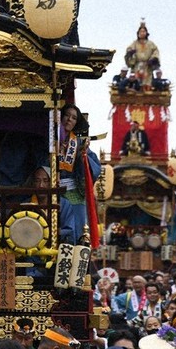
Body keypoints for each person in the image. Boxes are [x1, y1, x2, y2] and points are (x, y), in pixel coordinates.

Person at [57, 103, 100, 245]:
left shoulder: (79, 142)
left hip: (74, 191)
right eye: (67, 115)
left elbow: (94, 168)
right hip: (53, 191)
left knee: (78, 232)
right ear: (60, 116)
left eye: (74, 118)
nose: (69, 120)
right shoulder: (51, 139)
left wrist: (83, 157)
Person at [124, 21, 160, 89]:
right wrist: (130, 52)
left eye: (144, 32)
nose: (142, 33)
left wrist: (153, 58)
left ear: (146, 33)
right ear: (138, 33)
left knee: (147, 81)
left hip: (147, 65)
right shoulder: (135, 43)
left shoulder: (151, 44)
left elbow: (156, 52)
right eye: (141, 32)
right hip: (137, 65)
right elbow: (129, 49)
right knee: (136, 80)